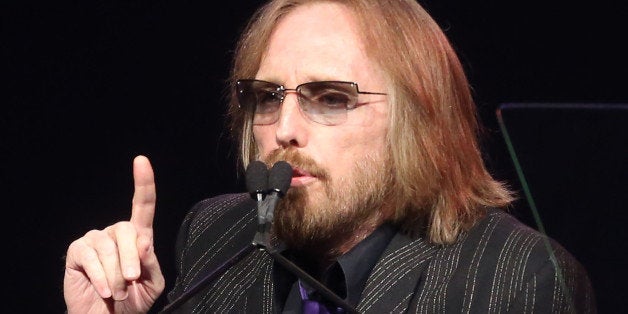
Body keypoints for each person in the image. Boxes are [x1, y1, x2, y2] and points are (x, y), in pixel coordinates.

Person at [63, 0, 596, 313]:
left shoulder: (521, 280)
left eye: (330, 98)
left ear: (421, 119)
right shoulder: (218, 234)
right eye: (268, 97)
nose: (284, 130)